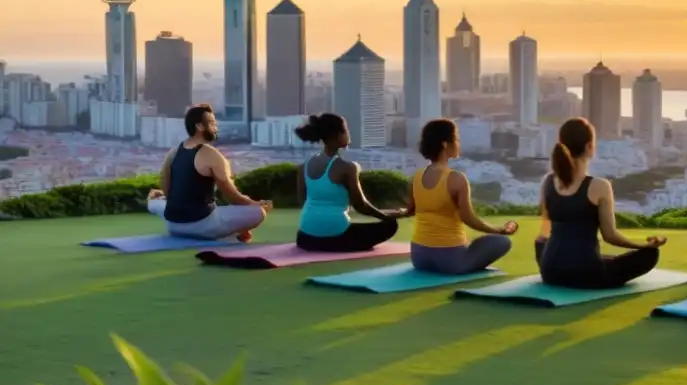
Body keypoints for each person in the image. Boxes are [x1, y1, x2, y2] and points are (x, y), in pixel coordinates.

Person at [535, 117, 666, 288]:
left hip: (550, 271)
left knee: (545, 243)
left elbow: (544, 232)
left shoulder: (548, 181)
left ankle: (568, 262)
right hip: (586, 274)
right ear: (590, 147)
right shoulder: (599, 186)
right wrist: (643, 245)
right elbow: (610, 236)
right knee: (650, 255)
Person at [408, 118, 517, 274]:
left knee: (473, 245)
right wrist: (498, 230)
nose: (458, 143)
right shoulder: (456, 179)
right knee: (502, 242)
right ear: (445, 144)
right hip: (450, 261)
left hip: (419, 256)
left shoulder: (416, 177)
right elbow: (468, 219)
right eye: (456, 139)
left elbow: (410, 210)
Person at [152, 104, 270, 242]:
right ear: (200, 126)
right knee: (258, 213)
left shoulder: (173, 152)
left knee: (155, 203)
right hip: (202, 226)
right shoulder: (212, 155)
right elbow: (232, 196)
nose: (216, 127)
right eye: (212, 123)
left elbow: (167, 190)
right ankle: (239, 232)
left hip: (174, 225)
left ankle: (235, 231)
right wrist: (255, 204)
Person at [293, 113, 406, 252]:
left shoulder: (303, 167)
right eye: (346, 130)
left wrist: (392, 212)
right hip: (337, 238)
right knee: (390, 225)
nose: (348, 134)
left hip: (305, 237)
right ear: (338, 135)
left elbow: (303, 202)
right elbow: (361, 205)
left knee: (356, 225)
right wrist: (388, 216)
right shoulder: (348, 168)